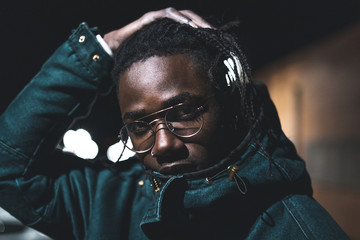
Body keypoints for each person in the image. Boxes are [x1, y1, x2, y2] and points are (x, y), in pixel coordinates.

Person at [0, 7, 349, 240]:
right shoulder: (106, 201)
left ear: (230, 107)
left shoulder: (297, 227)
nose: (164, 145)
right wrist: (100, 50)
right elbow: (8, 166)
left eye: (184, 113)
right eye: (139, 127)